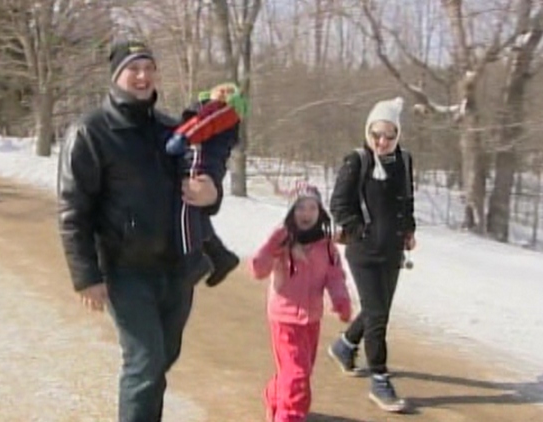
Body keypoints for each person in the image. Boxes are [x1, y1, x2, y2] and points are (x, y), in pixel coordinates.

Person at [56, 40, 222, 422]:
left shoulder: (172, 130)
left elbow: (200, 180)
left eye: (149, 67)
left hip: (176, 269)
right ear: (117, 76)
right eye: (134, 68)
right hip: (124, 270)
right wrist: (86, 277)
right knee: (145, 363)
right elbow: (72, 211)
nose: (143, 76)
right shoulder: (90, 132)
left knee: (161, 360)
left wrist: (212, 192)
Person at [327, 97, 416, 413]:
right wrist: (359, 230)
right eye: (377, 134)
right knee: (378, 316)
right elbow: (338, 204)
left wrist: (409, 229)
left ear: (397, 135)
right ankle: (379, 378)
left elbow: (406, 199)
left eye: (389, 136)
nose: (382, 141)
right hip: (363, 251)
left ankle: (344, 345)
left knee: (377, 311)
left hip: (392, 251)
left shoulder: (404, 161)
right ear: (368, 131)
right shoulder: (357, 161)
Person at [250, 181, 352, 422]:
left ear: (320, 213)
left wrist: (341, 299)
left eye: (312, 208)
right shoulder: (281, 242)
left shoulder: (326, 247)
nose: (306, 214)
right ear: (290, 212)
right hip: (284, 319)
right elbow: (258, 269)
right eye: (300, 208)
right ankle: (289, 416)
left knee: (299, 371)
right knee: (297, 374)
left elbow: (334, 276)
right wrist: (272, 245)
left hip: (311, 319)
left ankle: (275, 395)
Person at [166, 83, 248, 287]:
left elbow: (204, 124)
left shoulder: (221, 109)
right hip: (207, 163)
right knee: (197, 213)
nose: (224, 92)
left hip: (200, 161)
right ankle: (219, 255)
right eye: (222, 88)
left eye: (230, 92)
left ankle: (193, 259)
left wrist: (182, 138)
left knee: (187, 202)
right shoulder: (220, 112)